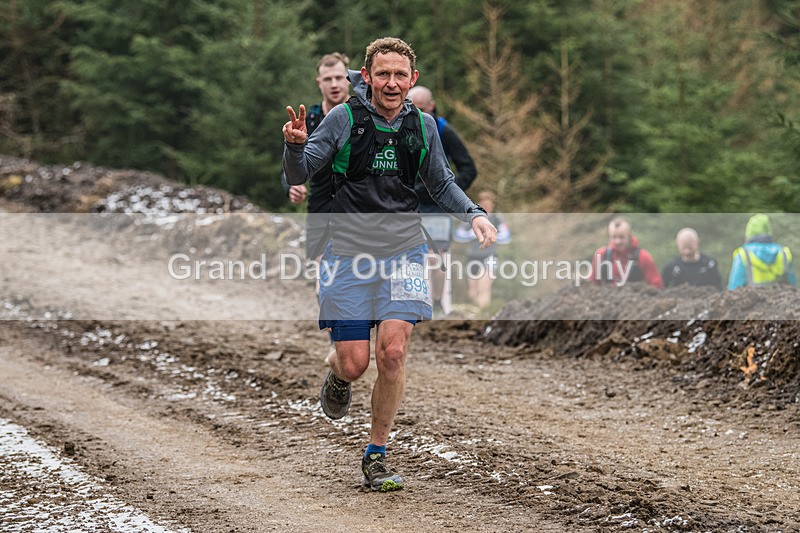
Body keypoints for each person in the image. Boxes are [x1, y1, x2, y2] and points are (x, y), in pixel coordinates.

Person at [282, 37, 497, 492]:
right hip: (348, 255)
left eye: (401, 75)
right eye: (383, 74)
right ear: (368, 77)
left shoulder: (423, 126)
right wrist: (296, 148)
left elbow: (441, 183)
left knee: (393, 353)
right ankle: (338, 376)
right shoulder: (343, 120)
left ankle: (376, 455)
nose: (392, 83)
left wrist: (474, 214)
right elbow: (299, 174)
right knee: (355, 362)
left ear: (412, 79)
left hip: (404, 251)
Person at [408, 86, 477, 317]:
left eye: (421, 108)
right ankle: (411, 304)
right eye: (412, 107)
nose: (416, 112)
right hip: (408, 203)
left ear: (432, 106)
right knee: (408, 256)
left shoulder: (443, 130)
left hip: (437, 206)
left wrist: (449, 191)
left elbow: (469, 168)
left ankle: (436, 303)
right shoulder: (398, 127)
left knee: (435, 258)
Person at [281, 52, 351, 259]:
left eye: (339, 78)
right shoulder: (308, 121)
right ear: (319, 82)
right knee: (321, 268)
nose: (334, 84)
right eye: (328, 79)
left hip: (358, 205)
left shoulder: (363, 116)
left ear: (348, 79)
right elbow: (288, 165)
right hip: (320, 203)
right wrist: (291, 186)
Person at [454, 191, 510, 310]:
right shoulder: (472, 218)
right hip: (473, 256)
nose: (487, 207)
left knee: (484, 287)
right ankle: (477, 312)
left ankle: (483, 315)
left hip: (490, 256)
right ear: (479, 204)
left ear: (492, 205)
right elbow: (458, 235)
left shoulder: (497, 218)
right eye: (484, 204)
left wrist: (491, 236)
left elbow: (506, 237)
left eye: (489, 205)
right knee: (473, 291)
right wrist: (475, 234)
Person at [589, 216, 663, 288]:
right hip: (605, 299)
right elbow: (592, 285)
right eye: (614, 237)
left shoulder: (643, 257)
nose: (617, 241)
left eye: (621, 237)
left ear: (629, 235)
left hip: (637, 299)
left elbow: (657, 286)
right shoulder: (601, 255)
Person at [728, 213, 797, 289]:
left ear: (749, 231)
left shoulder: (743, 254)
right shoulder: (784, 253)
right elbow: (792, 284)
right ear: (769, 229)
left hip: (751, 299)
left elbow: (734, 286)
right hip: (781, 299)